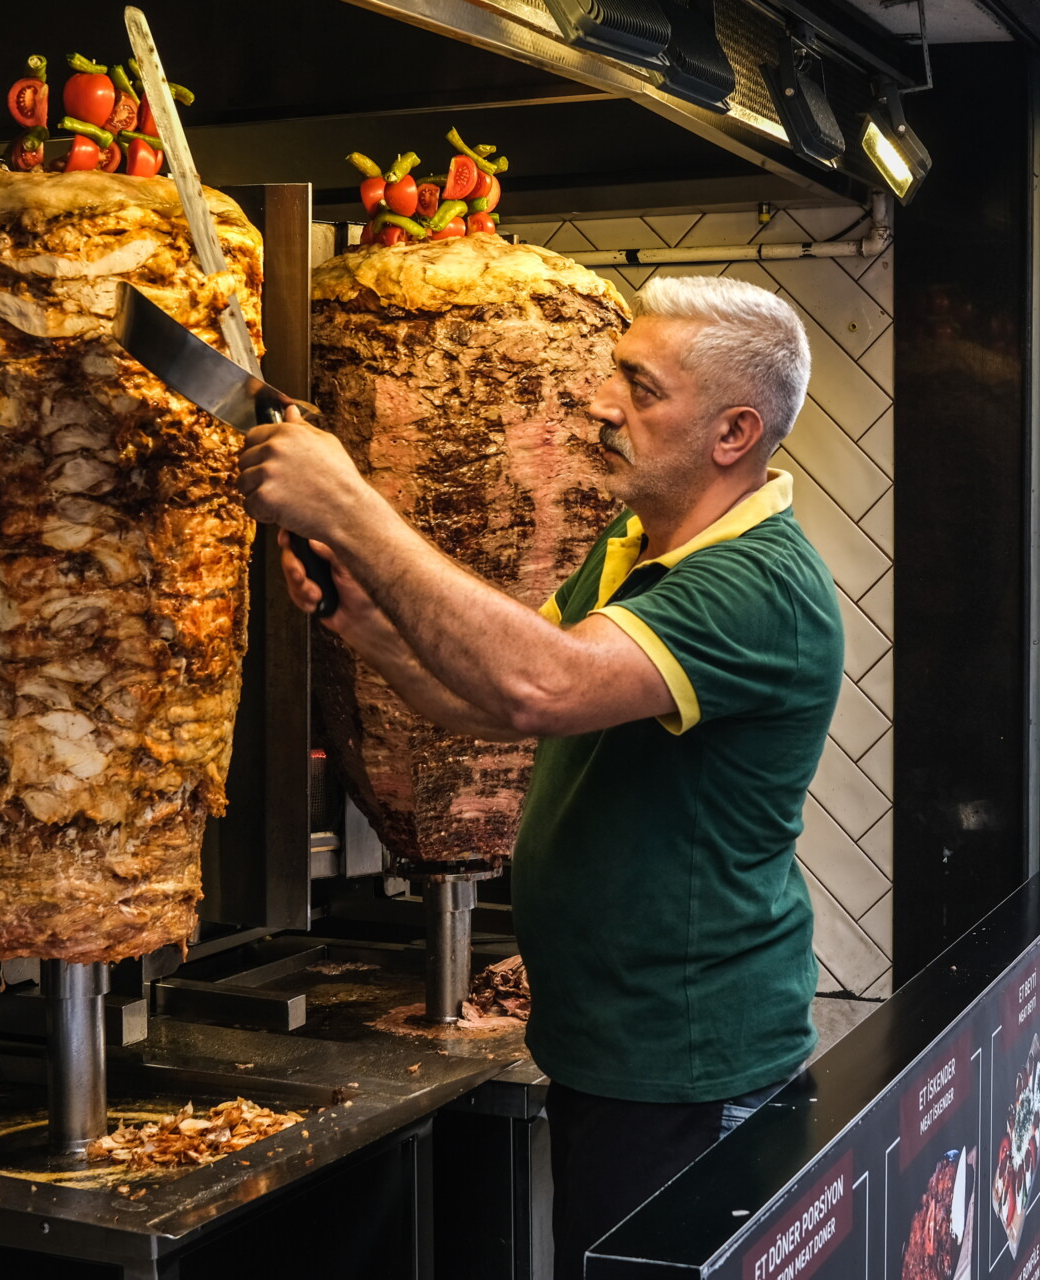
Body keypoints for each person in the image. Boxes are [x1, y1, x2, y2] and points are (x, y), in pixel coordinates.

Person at [236, 275, 843, 1278]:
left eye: (639, 385)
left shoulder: (756, 587)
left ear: (733, 431)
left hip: (687, 1063)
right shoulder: (639, 543)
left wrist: (351, 501)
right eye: (616, 370)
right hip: (617, 1047)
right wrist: (366, 622)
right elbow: (493, 706)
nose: (602, 401)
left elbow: (538, 685)